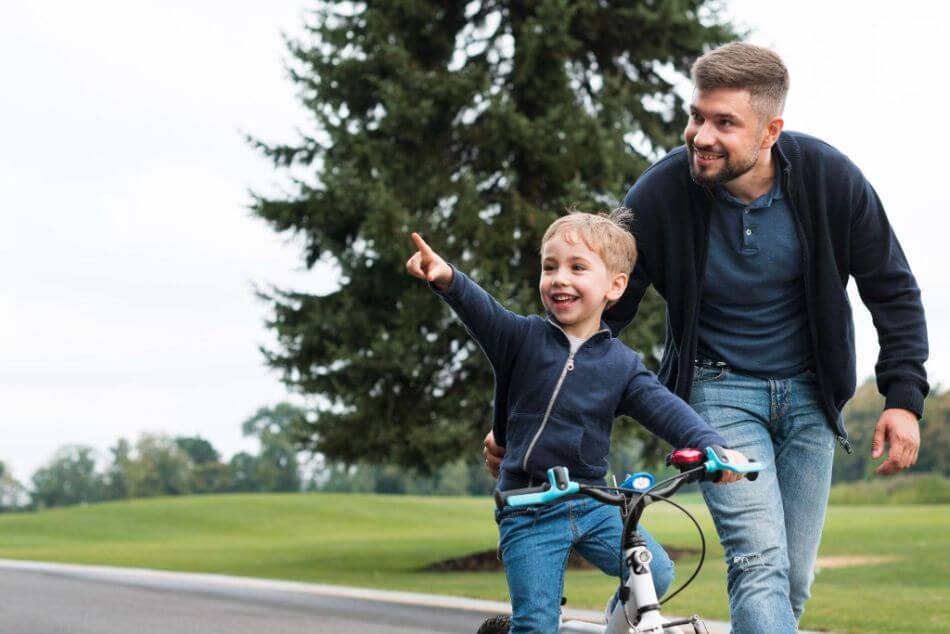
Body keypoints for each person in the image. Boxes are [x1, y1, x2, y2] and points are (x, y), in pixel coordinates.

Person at [484, 43, 929, 632]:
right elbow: (598, 311)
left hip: (811, 400)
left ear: (771, 130)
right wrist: (530, 412)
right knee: (758, 561)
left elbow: (891, 287)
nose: (701, 135)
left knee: (791, 579)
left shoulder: (830, 180)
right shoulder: (662, 194)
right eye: (697, 116)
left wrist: (903, 398)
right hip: (718, 395)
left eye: (724, 123)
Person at [406, 210, 752, 633]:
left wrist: (713, 444)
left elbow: (666, 408)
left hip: (594, 504)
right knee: (535, 624)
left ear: (615, 286)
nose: (559, 279)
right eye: (549, 267)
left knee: (655, 573)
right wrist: (446, 277)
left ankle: (614, 625)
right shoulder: (521, 339)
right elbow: (483, 311)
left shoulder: (622, 366)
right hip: (528, 508)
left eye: (577, 268)